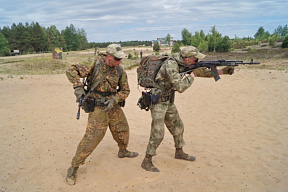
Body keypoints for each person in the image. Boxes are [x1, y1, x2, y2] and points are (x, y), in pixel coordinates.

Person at [141, 46, 234, 172]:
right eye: (196, 60)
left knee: (178, 126)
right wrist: (193, 75)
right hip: (157, 101)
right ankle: (147, 160)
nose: (197, 62)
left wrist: (223, 71)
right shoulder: (171, 65)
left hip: (168, 100)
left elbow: (201, 72)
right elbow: (180, 87)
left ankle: (179, 152)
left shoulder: (183, 63)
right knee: (158, 133)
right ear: (189, 59)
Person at [65, 44, 139, 185]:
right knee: (92, 138)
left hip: (113, 105)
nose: (120, 62)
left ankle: (123, 151)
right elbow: (70, 70)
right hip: (98, 107)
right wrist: (78, 86)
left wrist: (115, 99)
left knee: (122, 128)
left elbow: (125, 91)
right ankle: (74, 167)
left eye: (121, 59)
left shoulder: (120, 70)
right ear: (109, 57)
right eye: (117, 59)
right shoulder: (95, 64)